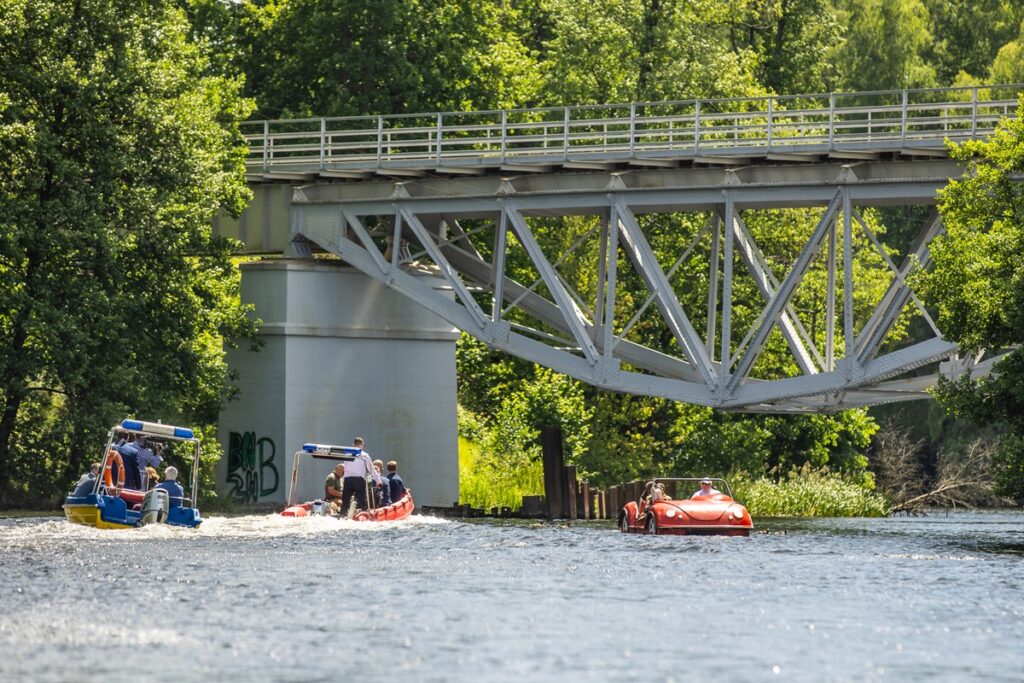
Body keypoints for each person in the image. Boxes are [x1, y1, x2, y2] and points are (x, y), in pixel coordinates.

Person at [341, 437, 383, 514]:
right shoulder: (364, 455)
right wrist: (378, 481)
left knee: (345, 500)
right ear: (362, 445)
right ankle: (360, 513)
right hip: (359, 480)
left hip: (347, 480)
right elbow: (371, 469)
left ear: (353, 444)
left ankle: (343, 513)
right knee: (360, 501)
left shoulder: (346, 454)